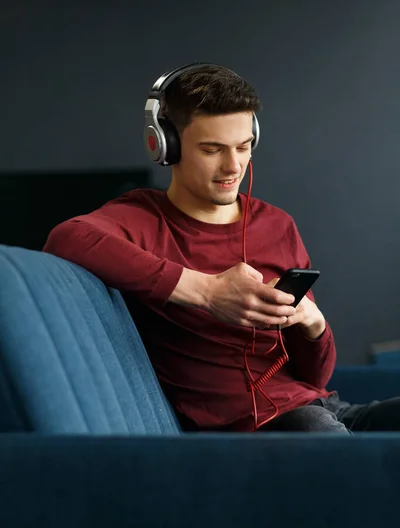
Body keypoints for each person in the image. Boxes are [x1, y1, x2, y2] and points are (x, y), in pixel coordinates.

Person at [43, 63, 400, 433]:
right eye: (212, 150)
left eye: (243, 147)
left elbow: (315, 378)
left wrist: (314, 325)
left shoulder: (277, 225)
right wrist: (208, 292)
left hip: (325, 409)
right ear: (166, 144)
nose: (233, 166)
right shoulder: (141, 219)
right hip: (271, 429)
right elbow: (66, 238)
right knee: (323, 437)